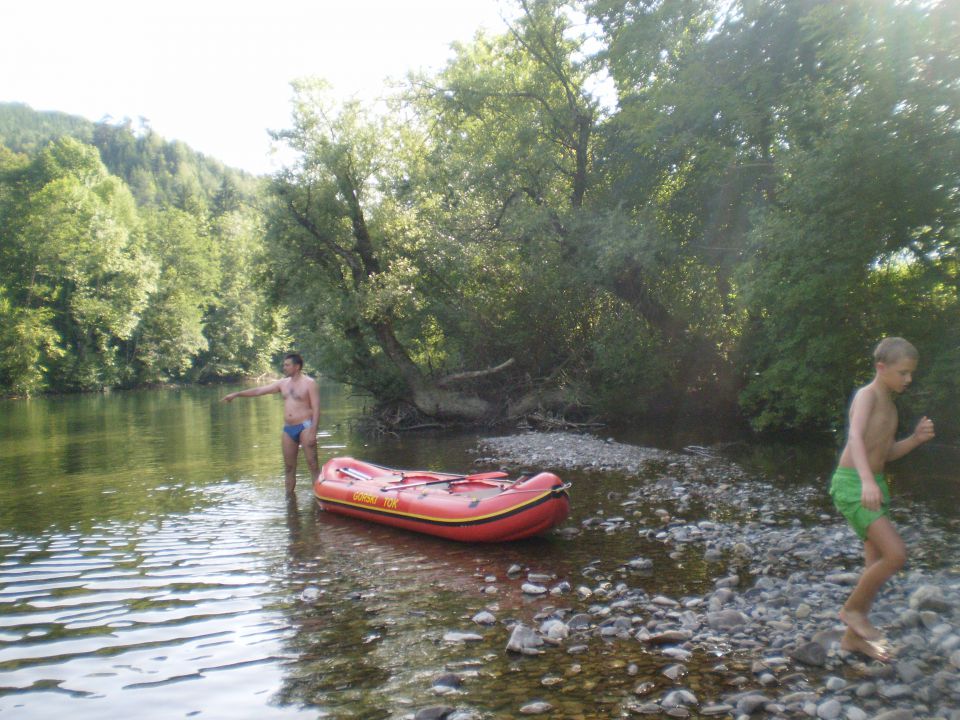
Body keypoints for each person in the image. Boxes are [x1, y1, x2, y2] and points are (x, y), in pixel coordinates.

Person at [830, 337, 935, 661]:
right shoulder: (867, 396)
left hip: (873, 483)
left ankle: (853, 640)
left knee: (874, 564)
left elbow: (885, 452)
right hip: (852, 484)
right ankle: (852, 612)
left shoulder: (890, 406)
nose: (908, 379)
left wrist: (915, 440)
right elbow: (856, 437)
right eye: (903, 372)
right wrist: (864, 481)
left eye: (910, 373)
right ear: (881, 368)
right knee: (896, 553)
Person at [222, 353, 321, 495]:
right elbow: (259, 391)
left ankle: (319, 498)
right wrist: (237, 394)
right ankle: (289, 501)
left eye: (287, 365)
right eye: (284, 365)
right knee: (288, 467)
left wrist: (313, 431)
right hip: (288, 429)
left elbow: (317, 408)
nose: (284, 367)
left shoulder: (310, 383)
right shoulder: (283, 383)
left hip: (305, 426)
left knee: (312, 464)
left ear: (297, 366)